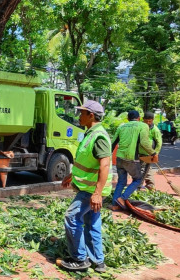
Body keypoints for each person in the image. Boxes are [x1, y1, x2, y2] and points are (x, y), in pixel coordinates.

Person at [58, 100, 112, 273]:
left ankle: (80, 259)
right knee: (92, 222)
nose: (79, 116)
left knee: (71, 218)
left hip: (91, 191)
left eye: (82, 113)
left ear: (91, 115)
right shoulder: (91, 133)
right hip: (89, 188)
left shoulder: (99, 136)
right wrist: (72, 176)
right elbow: (87, 161)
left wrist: (96, 194)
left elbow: (104, 165)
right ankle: (98, 261)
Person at [111, 110, 158, 210]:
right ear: (139, 118)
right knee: (138, 179)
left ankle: (115, 205)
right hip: (132, 159)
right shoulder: (142, 126)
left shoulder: (121, 126)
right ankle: (122, 198)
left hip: (119, 158)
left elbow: (113, 143)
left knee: (121, 182)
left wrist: (107, 157)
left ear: (128, 119)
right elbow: (144, 143)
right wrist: (153, 153)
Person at [139, 111, 162, 190]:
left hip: (149, 153)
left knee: (143, 169)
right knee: (147, 168)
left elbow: (159, 142)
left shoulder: (155, 130)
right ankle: (150, 184)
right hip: (139, 152)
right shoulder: (140, 127)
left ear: (152, 120)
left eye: (150, 121)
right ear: (143, 119)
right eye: (146, 121)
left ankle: (139, 185)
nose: (148, 123)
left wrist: (155, 154)